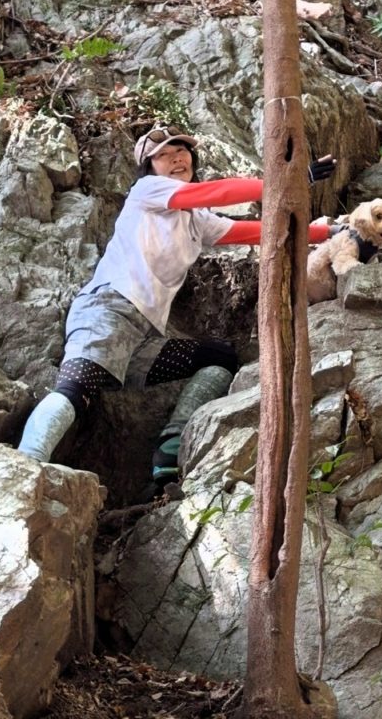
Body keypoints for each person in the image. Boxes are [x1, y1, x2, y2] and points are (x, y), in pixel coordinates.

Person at [17, 123, 336, 490]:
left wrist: (332, 234)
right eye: (164, 155)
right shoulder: (147, 190)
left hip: (142, 340)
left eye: (182, 151)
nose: (176, 158)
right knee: (77, 388)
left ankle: (168, 455)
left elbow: (258, 232)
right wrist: (289, 179)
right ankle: (24, 465)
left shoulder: (196, 219)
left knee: (219, 358)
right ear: (149, 168)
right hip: (108, 310)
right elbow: (217, 192)